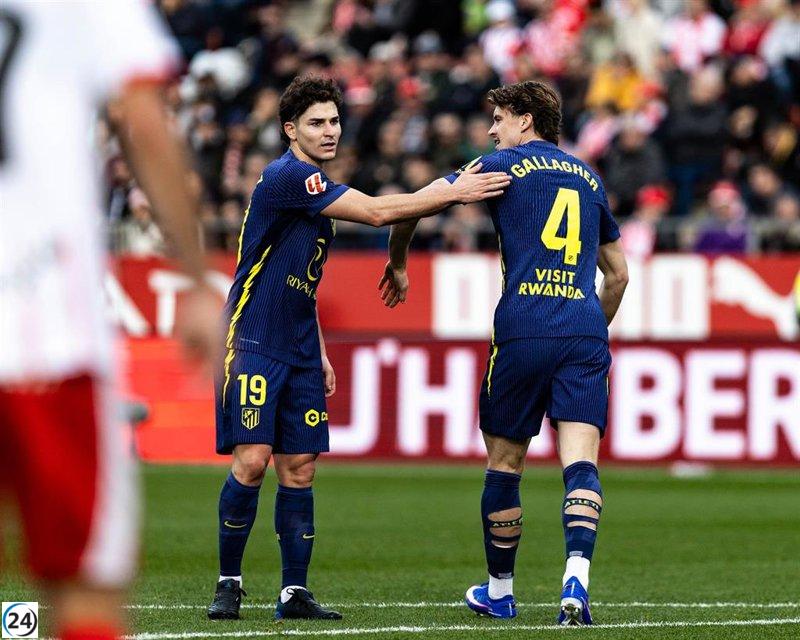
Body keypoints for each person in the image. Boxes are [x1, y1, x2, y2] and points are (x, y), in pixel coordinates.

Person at [206, 76, 509, 622]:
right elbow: (375, 212)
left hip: (299, 343)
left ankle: (294, 593)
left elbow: (302, 284)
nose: (329, 131)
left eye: (334, 121)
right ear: (289, 130)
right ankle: (229, 581)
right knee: (252, 462)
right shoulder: (287, 177)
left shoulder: (316, 195)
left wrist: (318, 351)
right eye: (317, 122)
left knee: (299, 467)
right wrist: (453, 189)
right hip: (254, 337)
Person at [0, 3, 221, 640]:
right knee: (84, 591)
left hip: (46, 327)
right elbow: (140, 118)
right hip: (46, 331)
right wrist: (196, 276)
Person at [380, 80, 629, 626]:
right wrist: (587, 330)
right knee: (581, 462)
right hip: (582, 328)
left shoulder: (501, 166)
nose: (492, 129)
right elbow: (619, 275)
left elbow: (413, 207)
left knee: (505, 463)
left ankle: (500, 591)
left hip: (522, 327)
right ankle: (576, 583)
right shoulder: (589, 178)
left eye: (498, 118)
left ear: (525, 120)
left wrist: (398, 261)